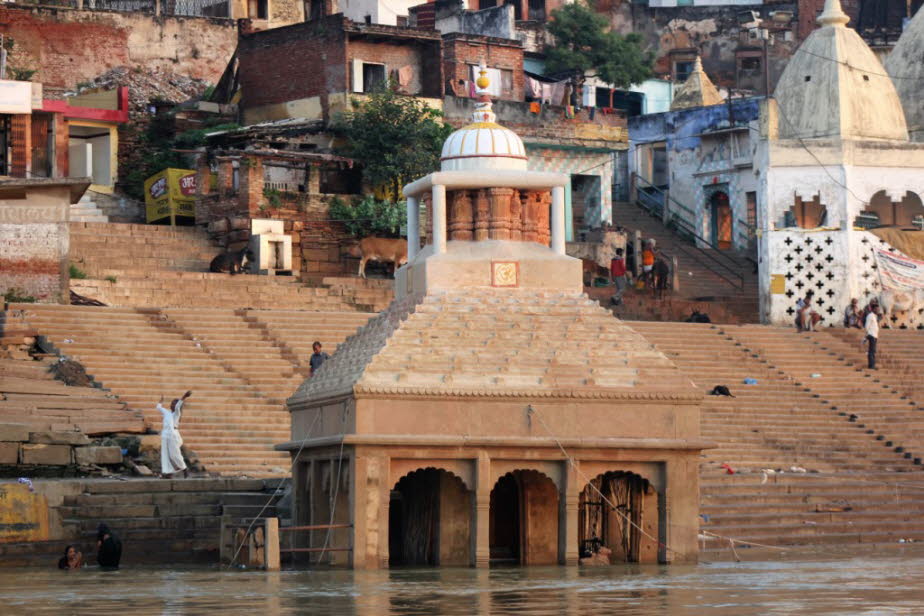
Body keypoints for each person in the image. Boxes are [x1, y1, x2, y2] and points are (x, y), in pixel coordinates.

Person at [156, 390, 191, 478]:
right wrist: (161, 401)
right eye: (171, 403)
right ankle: (168, 473)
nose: (172, 405)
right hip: (165, 435)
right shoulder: (167, 413)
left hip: (173, 435)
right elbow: (158, 407)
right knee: (165, 454)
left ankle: (184, 469)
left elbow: (178, 406)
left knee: (174, 454)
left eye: (174, 404)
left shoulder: (177, 413)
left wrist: (184, 396)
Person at [864, 301, 880, 369]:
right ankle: (871, 365)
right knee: (871, 351)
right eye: (876, 309)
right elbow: (867, 326)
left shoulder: (875, 316)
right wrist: (867, 335)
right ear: (873, 309)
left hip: (875, 335)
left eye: (878, 309)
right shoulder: (870, 316)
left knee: (873, 351)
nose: (878, 310)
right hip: (871, 335)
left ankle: (872, 364)